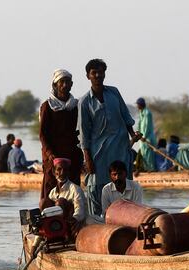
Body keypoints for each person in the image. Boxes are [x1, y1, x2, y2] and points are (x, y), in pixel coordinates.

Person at [78, 58, 141, 217]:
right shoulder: (84, 102)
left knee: (124, 184)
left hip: (120, 147)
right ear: (88, 76)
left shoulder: (114, 92)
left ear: (105, 74)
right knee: (98, 188)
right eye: (94, 73)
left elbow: (125, 116)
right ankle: (100, 223)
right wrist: (88, 159)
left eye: (101, 72)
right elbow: (84, 133)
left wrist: (133, 134)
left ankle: (128, 218)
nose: (98, 75)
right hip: (99, 153)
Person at [40, 69, 84, 206]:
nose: (65, 85)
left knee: (73, 190)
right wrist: (50, 153)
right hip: (53, 157)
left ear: (72, 84)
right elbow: (43, 134)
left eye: (67, 82)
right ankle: (49, 221)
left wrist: (82, 153)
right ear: (56, 85)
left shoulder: (75, 106)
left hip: (72, 155)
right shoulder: (48, 106)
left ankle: (73, 219)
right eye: (61, 82)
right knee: (51, 189)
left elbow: (81, 131)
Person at [47, 157, 87, 234]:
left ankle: (65, 232)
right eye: (59, 169)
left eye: (65, 170)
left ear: (68, 172)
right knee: (45, 202)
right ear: (54, 172)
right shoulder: (52, 193)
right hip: (56, 224)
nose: (62, 173)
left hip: (73, 224)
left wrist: (73, 220)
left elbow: (80, 212)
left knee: (60, 202)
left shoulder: (75, 189)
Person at [134, 97, 156, 172]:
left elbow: (147, 126)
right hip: (142, 138)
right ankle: (146, 168)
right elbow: (139, 124)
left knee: (148, 154)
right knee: (143, 153)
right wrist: (137, 132)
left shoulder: (147, 113)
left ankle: (151, 169)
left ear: (141, 105)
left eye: (137, 105)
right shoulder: (141, 113)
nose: (137, 106)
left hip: (147, 137)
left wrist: (144, 136)